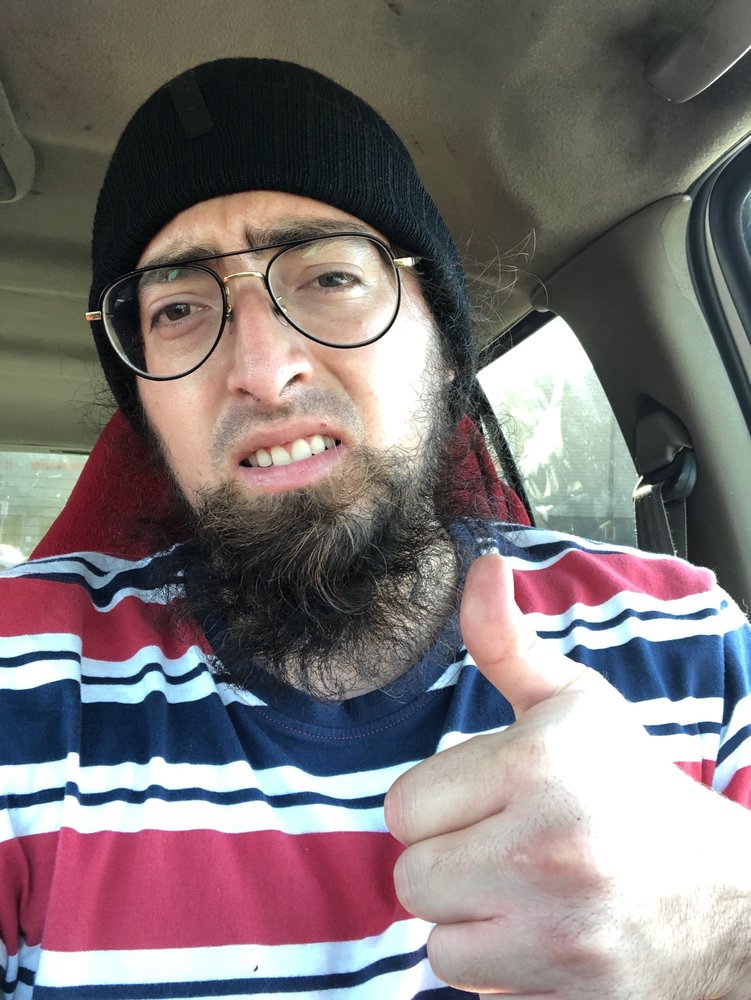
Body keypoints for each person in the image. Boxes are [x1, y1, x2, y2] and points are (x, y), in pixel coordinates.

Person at [0, 57, 749, 1000]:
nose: (262, 369)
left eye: (329, 276)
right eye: (180, 308)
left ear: (444, 351)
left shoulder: (680, 636)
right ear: (147, 412)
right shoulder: (21, 675)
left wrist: (720, 928)